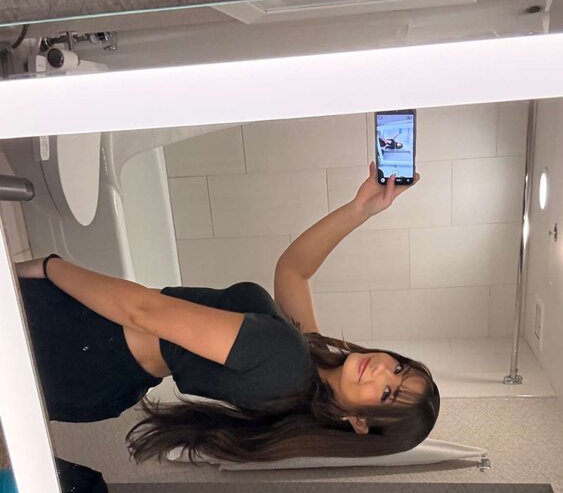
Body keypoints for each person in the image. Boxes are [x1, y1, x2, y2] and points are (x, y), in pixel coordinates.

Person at [15, 165, 439, 465]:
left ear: (360, 423)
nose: (382, 371)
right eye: (399, 367)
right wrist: (360, 209)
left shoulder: (285, 361)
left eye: (388, 393)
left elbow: (143, 311)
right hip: (97, 370)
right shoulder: (305, 374)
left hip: (80, 344)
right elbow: (293, 271)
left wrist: (50, 267)